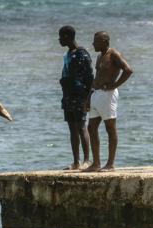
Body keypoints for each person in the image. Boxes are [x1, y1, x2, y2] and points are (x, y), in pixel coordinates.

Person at [83, 31, 134, 172]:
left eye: (96, 41)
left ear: (105, 41)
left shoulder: (114, 54)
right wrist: (88, 98)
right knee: (91, 128)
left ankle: (110, 164)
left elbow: (128, 70)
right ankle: (96, 163)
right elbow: (96, 77)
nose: (93, 43)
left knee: (110, 128)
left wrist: (114, 85)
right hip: (96, 94)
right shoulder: (100, 56)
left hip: (108, 95)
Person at [58, 25, 92, 170]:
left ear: (67, 37)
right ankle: (76, 162)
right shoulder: (67, 54)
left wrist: (87, 98)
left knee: (81, 126)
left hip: (79, 97)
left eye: (61, 36)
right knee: (72, 128)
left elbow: (90, 78)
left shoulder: (82, 53)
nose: (59, 39)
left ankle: (87, 160)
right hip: (68, 97)